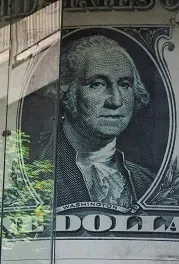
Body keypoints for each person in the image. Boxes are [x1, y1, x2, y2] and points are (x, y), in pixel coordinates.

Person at [41, 34, 155, 211]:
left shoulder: (147, 181)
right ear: (65, 90)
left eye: (125, 84)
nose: (116, 101)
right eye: (97, 84)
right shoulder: (37, 172)